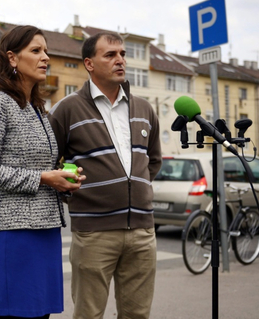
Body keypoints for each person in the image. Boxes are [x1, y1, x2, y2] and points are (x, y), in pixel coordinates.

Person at [0, 25, 84, 319]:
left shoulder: (38, 109)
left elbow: (37, 167)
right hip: (15, 234)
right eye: (36, 51)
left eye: (46, 51)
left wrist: (61, 180)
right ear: (12, 58)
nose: (45, 57)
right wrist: (44, 178)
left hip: (45, 232)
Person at [48, 31, 162, 319]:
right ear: (89, 63)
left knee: (137, 314)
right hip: (94, 232)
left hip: (142, 231)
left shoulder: (144, 109)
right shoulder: (67, 109)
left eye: (122, 54)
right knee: (89, 314)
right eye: (110, 55)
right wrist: (69, 191)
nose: (120, 60)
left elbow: (153, 161)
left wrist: (137, 190)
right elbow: (48, 163)